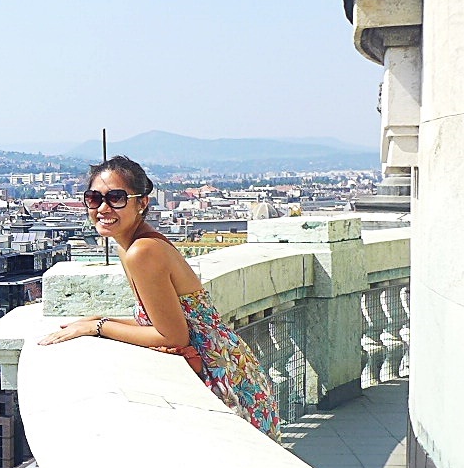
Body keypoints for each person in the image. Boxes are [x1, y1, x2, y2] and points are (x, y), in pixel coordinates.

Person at [38, 155, 282, 440]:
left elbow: (173, 336)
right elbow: (159, 320)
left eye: (116, 198)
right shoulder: (134, 246)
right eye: (94, 198)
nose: (103, 208)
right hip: (230, 365)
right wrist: (98, 320)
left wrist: (99, 327)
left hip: (218, 376)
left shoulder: (142, 252)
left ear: (142, 203)